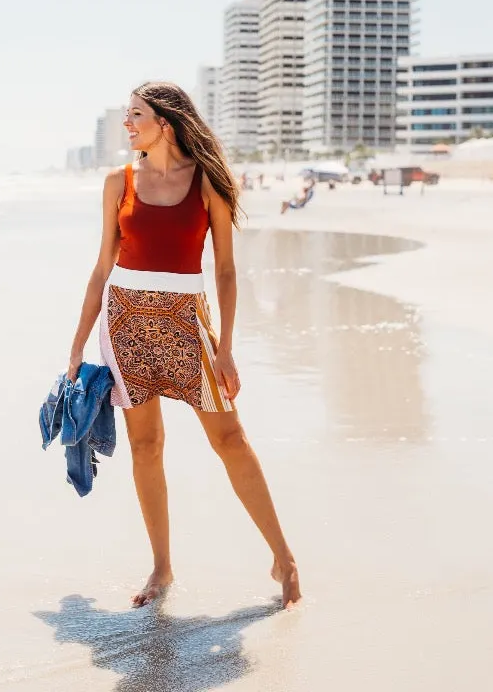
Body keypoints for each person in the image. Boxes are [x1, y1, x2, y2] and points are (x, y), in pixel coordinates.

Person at [66, 82, 301, 609]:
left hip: (187, 324)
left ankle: (283, 558)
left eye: (136, 115)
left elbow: (225, 270)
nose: (128, 125)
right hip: (125, 324)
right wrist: (78, 344)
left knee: (231, 439)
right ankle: (162, 566)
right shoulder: (117, 182)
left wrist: (226, 347)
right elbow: (103, 266)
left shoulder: (208, 182)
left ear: (164, 122)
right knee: (146, 447)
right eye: (127, 116)